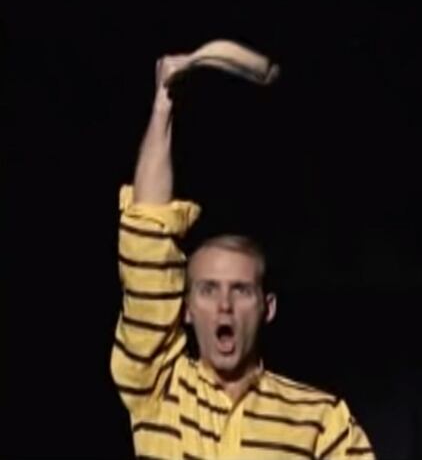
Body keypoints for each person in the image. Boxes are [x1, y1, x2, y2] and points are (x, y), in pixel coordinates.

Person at [111, 54, 374, 459]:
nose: (224, 305)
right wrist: (163, 103)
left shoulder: (321, 419)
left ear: (268, 307)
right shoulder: (158, 390)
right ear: (184, 309)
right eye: (208, 290)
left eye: (241, 290)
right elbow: (146, 238)